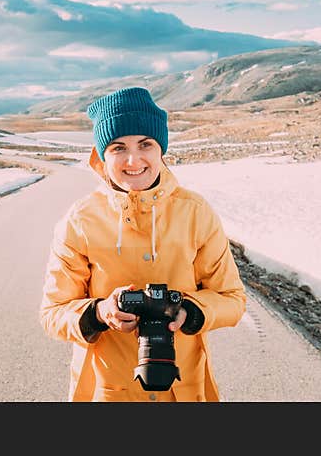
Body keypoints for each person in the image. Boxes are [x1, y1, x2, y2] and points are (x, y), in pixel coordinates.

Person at [39, 86, 247, 402]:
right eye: (118, 147)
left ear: (160, 149)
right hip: (108, 392)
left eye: (145, 144)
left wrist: (190, 311)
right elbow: (53, 312)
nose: (133, 159)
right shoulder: (80, 220)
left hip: (184, 389)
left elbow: (232, 298)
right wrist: (100, 312)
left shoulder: (195, 213)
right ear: (101, 156)